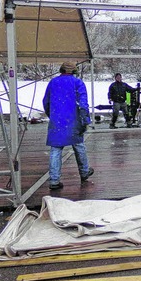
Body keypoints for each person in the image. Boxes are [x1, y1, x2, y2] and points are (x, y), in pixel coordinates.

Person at [42, 61, 94, 190]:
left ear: (61, 70)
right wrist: (85, 120)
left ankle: (54, 180)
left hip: (57, 120)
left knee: (55, 149)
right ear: (74, 71)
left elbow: (46, 101)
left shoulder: (53, 82)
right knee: (79, 146)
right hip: (73, 120)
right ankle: (84, 172)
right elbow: (83, 104)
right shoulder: (78, 83)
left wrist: (52, 115)